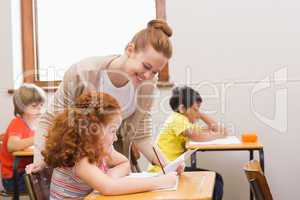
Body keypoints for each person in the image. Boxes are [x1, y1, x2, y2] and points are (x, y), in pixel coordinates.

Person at [31, 19, 174, 172]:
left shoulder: (147, 86)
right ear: (130, 50)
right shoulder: (82, 73)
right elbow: (49, 120)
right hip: (78, 166)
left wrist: (168, 165)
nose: (148, 75)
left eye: (154, 72)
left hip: (111, 167)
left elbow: (142, 136)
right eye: (146, 66)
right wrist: (39, 161)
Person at [43, 92, 177, 200]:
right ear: (93, 130)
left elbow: (124, 163)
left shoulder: (102, 149)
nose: (116, 137)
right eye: (112, 131)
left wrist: (111, 175)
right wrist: (160, 182)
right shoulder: (80, 159)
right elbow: (109, 188)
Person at [149, 86, 227, 200]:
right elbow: (199, 136)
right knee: (216, 179)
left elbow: (218, 130)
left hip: (172, 168)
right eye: (195, 109)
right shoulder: (177, 119)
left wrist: (199, 113)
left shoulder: (183, 120)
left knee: (215, 179)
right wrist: (219, 134)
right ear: (182, 108)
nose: (197, 114)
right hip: (163, 170)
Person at [0, 84, 45, 193]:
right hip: (14, 178)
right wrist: (37, 138)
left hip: (23, 172)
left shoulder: (32, 125)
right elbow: (12, 146)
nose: (39, 109)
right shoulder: (17, 123)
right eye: (34, 106)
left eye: (41, 105)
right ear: (21, 107)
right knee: (49, 182)